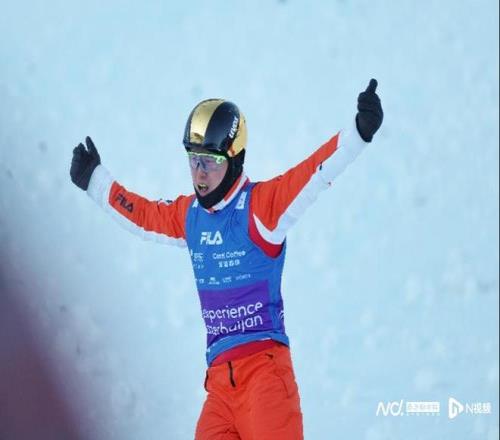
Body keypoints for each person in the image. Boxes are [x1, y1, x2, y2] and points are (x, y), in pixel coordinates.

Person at [70, 79, 383, 439]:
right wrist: (95, 181)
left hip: (265, 378)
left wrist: (359, 132)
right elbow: (144, 216)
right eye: (193, 160)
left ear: (235, 159)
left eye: (211, 161)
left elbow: (315, 171)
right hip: (219, 388)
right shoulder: (190, 216)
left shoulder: (261, 208)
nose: (200, 173)